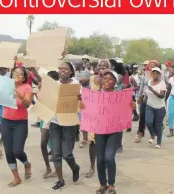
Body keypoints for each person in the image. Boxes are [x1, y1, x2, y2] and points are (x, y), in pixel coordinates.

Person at [80, 69, 134, 194]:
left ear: (115, 82)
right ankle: (102, 184)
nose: (106, 81)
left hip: (115, 131)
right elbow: (87, 109)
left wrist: (132, 106)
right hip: (99, 130)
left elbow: (128, 109)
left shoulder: (121, 96)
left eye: (110, 79)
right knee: (100, 159)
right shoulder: (94, 96)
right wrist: (82, 106)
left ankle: (111, 184)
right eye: (105, 78)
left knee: (109, 157)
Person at [48, 62, 81, 191]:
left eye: (66, 69)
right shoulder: (54, 85)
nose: (63, 71)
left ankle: (75, 168)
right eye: (60, 68)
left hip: (70, 122)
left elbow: (83, 102)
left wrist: (80, 99)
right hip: (55, 122)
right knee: (56, 153)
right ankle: (60, 180)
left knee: (67, 154)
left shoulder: (76, 86)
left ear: (71, 71)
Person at [2, 66, 33, 187]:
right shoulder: (6, 86)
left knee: (17, 151)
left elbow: (27, 104)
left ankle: (26, 163)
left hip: (20, 122)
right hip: (5, 121)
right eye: (15, 73)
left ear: (24, 77)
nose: (17, 75)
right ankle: (16, 177)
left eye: (20, 74)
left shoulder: (27, 87)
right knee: (9, 152)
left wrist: (20, 96)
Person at [40, 71, 59, 179]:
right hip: (47, 117)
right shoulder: (44, 89)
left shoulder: (59, 88)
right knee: (43, 143)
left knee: (56, 146)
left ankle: (57, 169)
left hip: (57, 119)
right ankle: (48, 168)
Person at [143, 67, 167, 148]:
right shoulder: (149, 81)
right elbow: (147, 91)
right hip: (150, 105)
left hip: (160, 107)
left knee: (158, 125)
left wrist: (153, 90)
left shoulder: (162, 83)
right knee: (148, 122)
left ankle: (159, 143)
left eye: (157, 73)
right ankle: (153, 134)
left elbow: (162, 96)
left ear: (159, 75)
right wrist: (145, 97)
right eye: (153, 73)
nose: (155, 74)